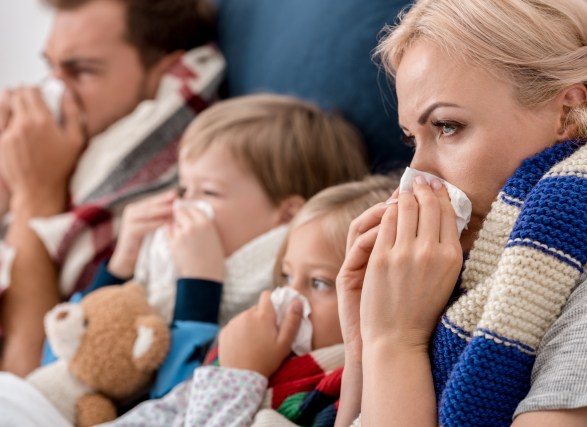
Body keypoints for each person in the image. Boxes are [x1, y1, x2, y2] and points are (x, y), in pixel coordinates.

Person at [336, 0, 587, 426]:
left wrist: (396, 342)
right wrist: (363, 344)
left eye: (446, 126)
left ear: (567, 112)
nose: (417, 174)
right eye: (411, 140)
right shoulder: (472, 276)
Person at [70, 93, 370, 400]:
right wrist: (122, 264)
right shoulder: (163, 268)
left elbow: (177, 402)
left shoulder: (281, 294)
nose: (186, 205)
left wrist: (201, 284)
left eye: (209, 193)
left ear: (286, 216)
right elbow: (66, 348)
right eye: (185, 189)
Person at [0, 0, 223, 376]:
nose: (55, 93)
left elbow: (23, 382)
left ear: (165, 71)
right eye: (50, 68)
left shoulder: (159, 189)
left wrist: (35, 196)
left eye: (81, 71)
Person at [99, 175, 398, 427]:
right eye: (285, 275)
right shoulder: (253, 345)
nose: (290, 297)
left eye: (318, 283)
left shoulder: (346, 397)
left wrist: (237, 376)